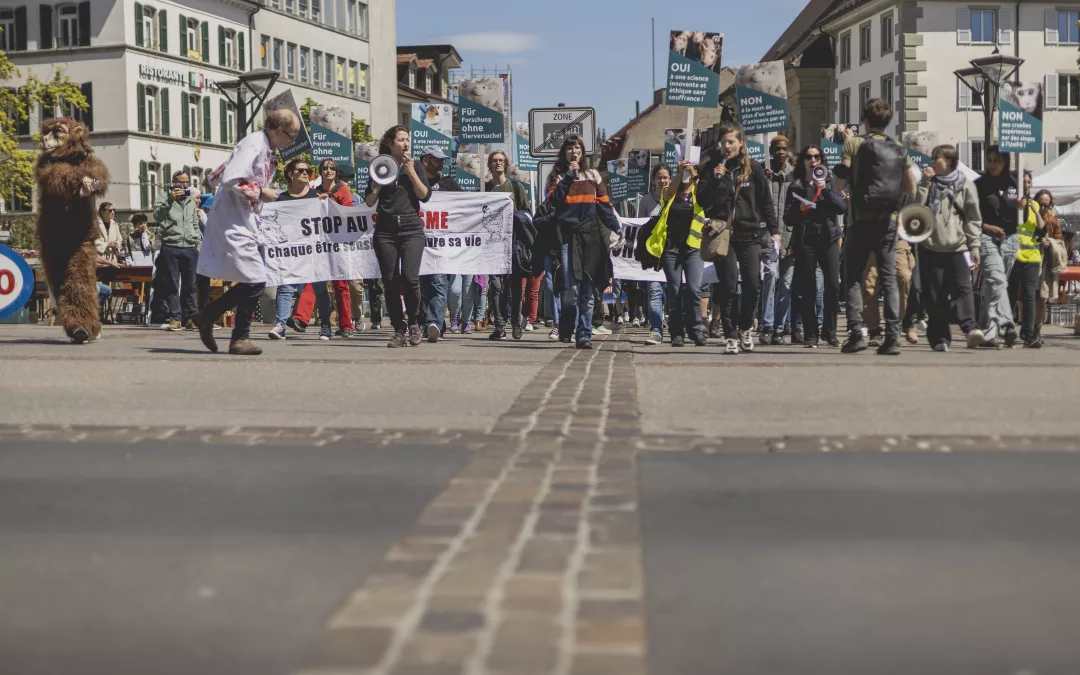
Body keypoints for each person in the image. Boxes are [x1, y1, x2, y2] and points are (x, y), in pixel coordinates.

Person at [192, 108, 301, 355]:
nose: (290, 143)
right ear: (277, 130)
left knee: (250, 278)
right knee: (255, 281)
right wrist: (262, 192)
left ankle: (239, 337)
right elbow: (232, 179)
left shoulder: (263, 146)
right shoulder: (254, 144)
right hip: (233, 218)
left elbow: (225, 170)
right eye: (290, 136)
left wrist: (211, 179)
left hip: (244, 217)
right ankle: (208, 316)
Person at [833, 98, 918, 355]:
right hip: (889, 221)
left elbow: (840, 183)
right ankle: (893, 336)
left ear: (865, 120)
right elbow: (912, 188)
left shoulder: (853, 143)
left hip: (859, 220)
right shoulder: (899, 147)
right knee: (890, 280)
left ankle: (858, 332)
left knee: (854, 278)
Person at [699, 122, 779, 354]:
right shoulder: (712, 168)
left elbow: (766, 202)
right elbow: (703, 201)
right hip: (723, 234)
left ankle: (745, 326)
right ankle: (731, 334)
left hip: (750, 233)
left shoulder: (753, 169)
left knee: (754, 284)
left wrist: (774, 231)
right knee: (728, 285)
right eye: (723, 142)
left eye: (731, 142)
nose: (727, 146)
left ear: (741, 144)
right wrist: (717, 179)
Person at [546, 135, 621, 349]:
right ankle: (566, 325)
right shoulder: (557, 177)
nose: (574, 152)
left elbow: (604, 206)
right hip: (568, 237)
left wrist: (616, 227)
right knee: (571, 290)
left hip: (591, 237)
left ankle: (584, 334)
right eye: (569, 148)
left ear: (583, 152)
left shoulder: (593, 175)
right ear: (564, 153)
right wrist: (569, 176)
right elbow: (554, 200)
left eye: (577, 148)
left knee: (588, 289)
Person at [365, 124, 431, 348]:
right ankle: (398, 330)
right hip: (385, 232)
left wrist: (411, 172)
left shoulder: (416, 166)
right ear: (391, 143)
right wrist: (376, 186)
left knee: (411, 279)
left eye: (407, 139)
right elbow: (370, 202)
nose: (405, 143)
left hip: (412, 230)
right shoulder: (380, 165)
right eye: (401, 139)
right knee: (390, 282)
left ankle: (414, 323)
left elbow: (425, 196)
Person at [916, 144, 985, 351]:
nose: (932, 162)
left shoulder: (965, 185)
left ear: (949, 161)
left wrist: (975, 247)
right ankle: (940, 339)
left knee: (963, 289)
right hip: (930, 246)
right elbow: (916, 211)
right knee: (934, 294)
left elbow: (973, 219)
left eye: (937, 158)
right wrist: (924, 184)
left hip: (958, 246)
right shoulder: (927, 181)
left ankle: (971, 329)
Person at [785, 144, 846, 348]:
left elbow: (840, 207)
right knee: (808, 287)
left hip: (828, 239)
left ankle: (830, 331)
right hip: (806, 240)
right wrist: (799, 208)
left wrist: (825, 188)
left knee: (832, 285)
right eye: (809, 157)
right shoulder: (796, 186)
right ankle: (811, 333)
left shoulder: (829, 183)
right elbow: (788, 218)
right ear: (803, 161)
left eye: (817, 157)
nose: (813, 161)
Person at [288, 159, 355, 340]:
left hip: (338, 243)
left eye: (332, 168)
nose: (328, 170)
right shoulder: (312, 192)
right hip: (319, 243)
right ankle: (301, 318)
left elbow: (349, 214)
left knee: (341, 284)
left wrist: (331, 201)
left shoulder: (342, 190)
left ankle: (346, 325)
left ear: (336, 172)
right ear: (320, 171)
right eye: (325, 168)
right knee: (315, 279)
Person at [268, 157, 332, 341]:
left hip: (314, 252)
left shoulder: (316, 197)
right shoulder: (282, 199)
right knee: (285, 286)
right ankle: (281, 325)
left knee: (320, 288)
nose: (305, 173)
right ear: (290, 174)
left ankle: (326, 326)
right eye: (300, 170)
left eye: (307, 170)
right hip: (291, 252)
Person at [645, 159, 706, 346]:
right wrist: (680, 174)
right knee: (675, 291)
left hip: (693, 248)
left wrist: (695, 175)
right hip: (671, 249)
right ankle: (676, 333)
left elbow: (709, 193)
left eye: (691, 170)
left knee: (695, 289)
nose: (688, 173)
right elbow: (669, 192)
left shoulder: (698, 192)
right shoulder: (670, 192)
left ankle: (696, 329)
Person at [975, 146, 1020, 348]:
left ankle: (988, 333)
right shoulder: (979, 185)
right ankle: (1007, 324)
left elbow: (1019, 215)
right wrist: (986, 227)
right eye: (990, 159)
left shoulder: (1014, 183)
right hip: (986, 237)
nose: (992, 164)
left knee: (995, 286)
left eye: (997, 160)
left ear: (1005, 163)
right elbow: (968, 216)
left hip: (1010, 239)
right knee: (998, 281)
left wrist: (1023, 204)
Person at [486, 150, 532, 340]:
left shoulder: (515, 187)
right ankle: (499, 326)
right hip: (492, 244)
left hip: (513, 243)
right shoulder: (486, 188)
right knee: (496, 286)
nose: (497, 163)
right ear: (489, 165)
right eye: (494, 161)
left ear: (505, 164)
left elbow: (528, 216)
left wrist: (513, 209)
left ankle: (515, 323)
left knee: (514, 287)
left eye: (501, 161)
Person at [418, 146, 461, 342]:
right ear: (425, 161)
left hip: (444, 246)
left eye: (443, 159)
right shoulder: (415, 182)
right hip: (420, 245)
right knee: (425, 288)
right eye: (437, 159)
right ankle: (435, 327)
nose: (442, 163)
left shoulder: (449, 184)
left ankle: (433, 323)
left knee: (439, 284)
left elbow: (468, 206)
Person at [153, 171, 202, 332]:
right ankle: (175, 318)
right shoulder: (163, 197)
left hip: (189, 247)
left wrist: (198, 243)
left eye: (187, 182)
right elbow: (158, 216)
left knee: (191, 285)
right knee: (173, 284)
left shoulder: (190, 201)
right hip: (171, 246)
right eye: (181, 182)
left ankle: (190, 318)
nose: (184, 185)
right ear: (173, 182)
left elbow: (194, 223)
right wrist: (169, 200)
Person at [760, 135, 796, 345]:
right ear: (771, 151)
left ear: (788, 150)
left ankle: (779, 329)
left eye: (784, 149)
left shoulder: (795, 176)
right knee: (770, 277)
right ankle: (767, 324)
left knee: (787, 284)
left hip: (789, 237)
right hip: (768, 236)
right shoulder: (764, 174)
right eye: (777, 149)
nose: (780, 152)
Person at [635, 164, 671, 346]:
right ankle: (656, 330)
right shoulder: (645, 202)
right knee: (655, 292)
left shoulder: (676, 199)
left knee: (674, 292)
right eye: (659, 177)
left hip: (672, 255)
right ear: (653, 180)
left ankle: (676, 328)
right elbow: (638, 228)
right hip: (653, 257)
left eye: (666, 178)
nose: (663, 181)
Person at [1012, 172, 1046, 348]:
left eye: (1028, 181)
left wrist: (1035, 210)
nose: (1026, 184)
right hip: (1013, 254)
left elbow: (1041, 229)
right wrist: (1016, 207)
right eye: (1023, 181)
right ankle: (1007, 330)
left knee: (1030, 295)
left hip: (1031, 256)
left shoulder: (1034, 204)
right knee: (1010, 294)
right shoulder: (1011, 202)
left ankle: (1029, 334)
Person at [1035, 189, 1065, 343]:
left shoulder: (1053, 221)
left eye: (1047, 205)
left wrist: (1051, 243)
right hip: (1028, 260)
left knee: (1042, 298)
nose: (1044, 208)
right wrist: (1038, 241)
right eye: (1041, 204)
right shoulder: (1028, 217)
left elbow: (1060, 242)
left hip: (1045, 264)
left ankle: (1036, 331)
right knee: (1026, 297)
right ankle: (1026, 328)